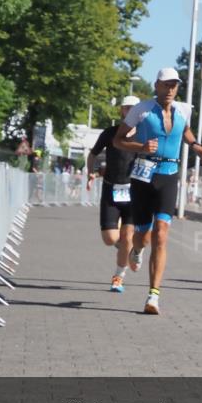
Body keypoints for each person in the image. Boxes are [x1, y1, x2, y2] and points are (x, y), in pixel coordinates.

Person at [113, 68, 202, 315]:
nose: (169, 89)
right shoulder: (141, 110)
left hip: (169, 174)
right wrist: (141, 146)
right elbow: (118, 140)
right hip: (143, 176)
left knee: (162, 233)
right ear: (156, 85)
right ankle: (137, 250)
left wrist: (195, 144)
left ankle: (153, 295)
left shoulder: (184, 109)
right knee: (143, 236)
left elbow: (185, 130)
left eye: (174, 85)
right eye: (166, 84)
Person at [86, 96, 140, 293]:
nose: (131, 112)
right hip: (111, 189)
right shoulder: (110, 133)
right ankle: (129, 249)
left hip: (135, 193)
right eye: (127, 109)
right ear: (122, 111)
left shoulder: (144, 135)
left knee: (127, 236)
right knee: (110, 238)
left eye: (135, 109)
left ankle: (118, 276)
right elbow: (92, 154)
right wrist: (90, 174)